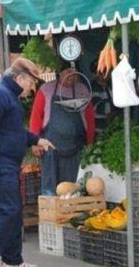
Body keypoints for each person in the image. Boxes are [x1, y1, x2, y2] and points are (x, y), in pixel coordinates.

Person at [0, 58, 54, 267]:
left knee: (13, 212)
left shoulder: (9, 98)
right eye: (30, 82)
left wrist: (37, 140)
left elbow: (14, 132)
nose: (31, 87)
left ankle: (12, 261)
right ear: (19, 78)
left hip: (8, 163)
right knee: (8, 211)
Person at [29, 65, 95, 195]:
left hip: (76, 149)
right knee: (50, 188)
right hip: (50, 149)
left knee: (74, 188)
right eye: (68, 72)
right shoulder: (46, 90)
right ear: (60, 72)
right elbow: (35, 117)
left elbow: (90, 118)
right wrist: (34, 142)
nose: (72, 76)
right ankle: (50, 213)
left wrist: (90, 142)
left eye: (75, 73)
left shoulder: (83, 90)